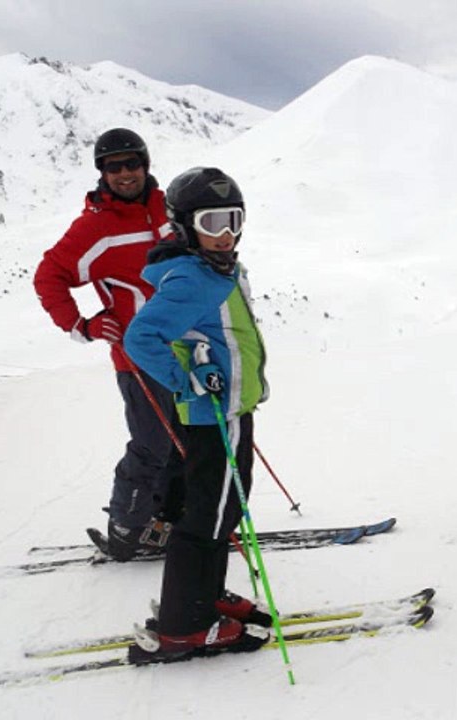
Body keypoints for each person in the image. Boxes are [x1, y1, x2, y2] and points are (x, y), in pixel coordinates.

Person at [123, 166, 271, 658]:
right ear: (187, 226)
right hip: (213, 416)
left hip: (232, 410)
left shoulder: (218, 269)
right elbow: (140, 338)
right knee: (208, 516)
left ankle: (202, 598)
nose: (226, 233)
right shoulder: (191, 279)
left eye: (233, 219)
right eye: (213, 222)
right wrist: (185, 379)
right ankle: (184, 624)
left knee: (224, 509)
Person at [33, 128, 183, 561]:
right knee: (152, 443)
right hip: (138, 356)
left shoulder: (170, 208)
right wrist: (83, 325)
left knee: (187, 440)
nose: (123, 173)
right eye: (113, 167)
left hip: (187, 348)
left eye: (131, 163)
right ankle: (125, 527)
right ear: (102, 173)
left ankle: (166, 520)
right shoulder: (95, 228)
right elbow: (49, 276)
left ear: (145, 164)